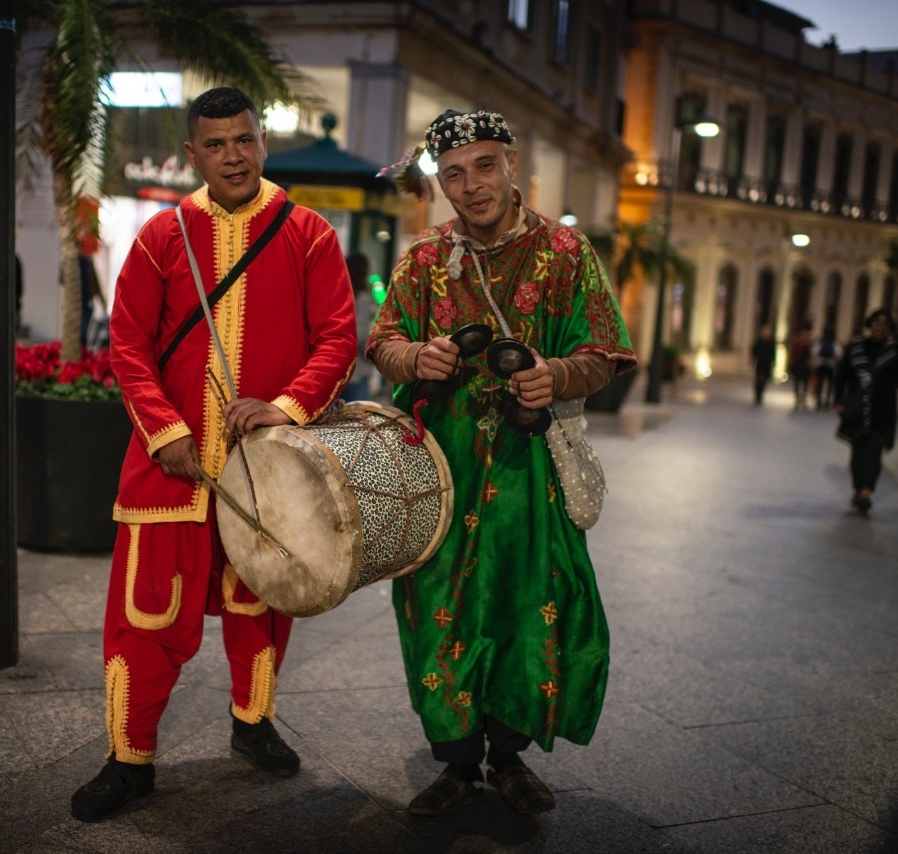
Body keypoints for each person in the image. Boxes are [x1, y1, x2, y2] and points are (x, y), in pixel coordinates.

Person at [70, 87, 357, 822]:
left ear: (262, 142)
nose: (233, 154)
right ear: (193, 153)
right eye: (217, 143)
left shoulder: (311, 235)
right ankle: (128, 760)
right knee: (145, 618)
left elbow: (336, 340)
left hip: (267, 476)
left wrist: (286, 409)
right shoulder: (162, 235)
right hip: (167, 474)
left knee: (261, 606)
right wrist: (164, 429)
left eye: (245, 139)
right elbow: (128, 344)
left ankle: (252, 723)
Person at [366, 109, 635, 817]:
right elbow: (383, 339)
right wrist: (415, 357)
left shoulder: (566, 253)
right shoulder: (425, 259)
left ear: (513, 164)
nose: (471, 185)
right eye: (453, 174)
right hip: (441, 474)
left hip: (529, 474)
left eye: (484, 166)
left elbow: (603, 352)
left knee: (526, 605)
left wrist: (558, 376)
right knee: (438, 607)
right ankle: (455, 762)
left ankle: (510, 757)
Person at [833, 308, 898, 515]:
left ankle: (866, 492)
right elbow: (842, 374)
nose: (880, 326)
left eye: (884, 323)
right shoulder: (856, 346)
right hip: (858, 409)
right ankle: (858, 487)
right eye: (877, 322)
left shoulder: (896, 351)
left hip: (883, 410)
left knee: (874, 450)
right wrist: (838, 399)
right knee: (858, 452)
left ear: (890, 327)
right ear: (870, 324)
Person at [340, 251, 377, 402]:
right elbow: (361, 335)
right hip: (357, 370)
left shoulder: (337, 294)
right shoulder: (366, 298)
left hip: (335, 371)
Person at [788, 318, 814, 410]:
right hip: (801, 363)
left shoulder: (801, 340)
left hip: (801, 363)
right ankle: (799, 398)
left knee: (801, 382)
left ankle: (801, 398)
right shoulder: (806, 341)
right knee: (799, 382)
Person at [813, 325, 841, 410]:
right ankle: (827, 401)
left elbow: (814, 352)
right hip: (830, 365)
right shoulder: (834, 342)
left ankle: (819, 400)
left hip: (821, 364)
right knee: (829, 384)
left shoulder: (820, 341)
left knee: (820, 382)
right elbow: (838, 354)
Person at [750, 324, 776, 406]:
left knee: (765, 380)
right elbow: (754, 351)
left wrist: (774, 362)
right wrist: (753, 359)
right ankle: (757, 395)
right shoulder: (759, 342)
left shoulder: (771, 343)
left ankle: (761, 395)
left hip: (767, 363)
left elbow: (773, 353)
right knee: (758, 380)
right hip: (760, 363)